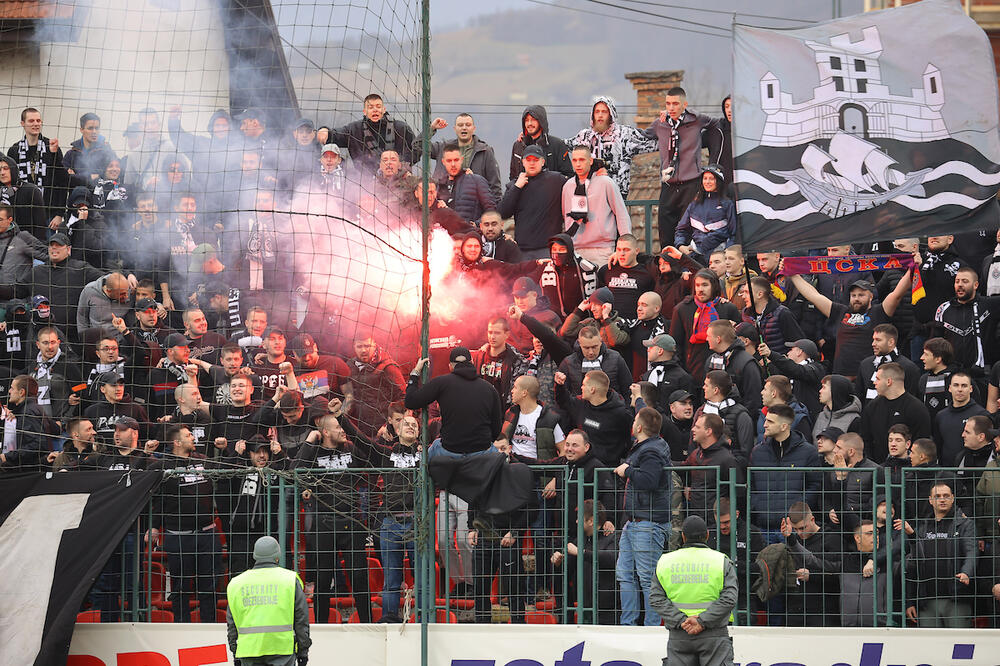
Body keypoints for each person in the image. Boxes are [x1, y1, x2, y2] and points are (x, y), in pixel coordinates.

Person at [147, 424, 221, 624]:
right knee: (180, 587)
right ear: (177, 442)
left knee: (209, 586)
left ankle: (209, 627)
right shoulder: (162, 466)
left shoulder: (203, 460)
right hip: (179, 537)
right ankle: (181, 627)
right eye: (188, 435)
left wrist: (225, 451)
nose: (193, 438)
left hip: (207, 534)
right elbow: (157, 499)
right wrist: (154, 526)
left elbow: (228, 469)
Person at [650, 515, 737, 666]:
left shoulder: (665, 561)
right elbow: (729, 598)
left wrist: (681, 620)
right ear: (707, 535)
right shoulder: (721, 561)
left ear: (683, 536)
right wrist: (701, 621)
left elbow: (656, 599)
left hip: (680, 635)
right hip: (714, 635)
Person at [788, 272, 911, 378]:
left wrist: (912, 269)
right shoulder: (841, 312)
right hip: (841, 376)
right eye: (853, 295)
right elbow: (814, 296)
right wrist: (792, 274)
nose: (856, 298)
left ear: (871, 297)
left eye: (861, 295)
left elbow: (897, 294)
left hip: (867, 376)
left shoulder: (878, 312)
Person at [643, 87, 723, 248]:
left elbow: (717, 124)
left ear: (684, 104)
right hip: (668, 184)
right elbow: (642, 136)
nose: (671, 108)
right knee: (665, 231)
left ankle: (688, 262)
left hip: (691, 183)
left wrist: (707, 150)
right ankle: (668, 262)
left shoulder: (696, 120)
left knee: (689, 231)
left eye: (675, 104)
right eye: (668, 104)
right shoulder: (660, 124)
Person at [616, 406, 672, 626]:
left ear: (639, 428)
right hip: (636, 522)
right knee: (625, 575)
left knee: (647, 578)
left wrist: (627, 470)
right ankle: (628, 625)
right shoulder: (650, 446)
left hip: (647, 523)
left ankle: (651, 628)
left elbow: (650, 480)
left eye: (635, 421)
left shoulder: (650, 451)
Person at [404, 347, 503, 460]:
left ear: (450, 366)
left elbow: (410, 401)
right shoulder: (490, 389)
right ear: (472, 362)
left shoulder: (441, 383)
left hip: (450, 450)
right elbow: (496, 428)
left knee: (432, 450)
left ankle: (425, 472)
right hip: (482, 450)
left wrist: (415, 372)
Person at [226, 535, 311, 666]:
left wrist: (235, 651)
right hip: (282, 650)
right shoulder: (289, 580)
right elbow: (301, 618)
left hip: (248, 652)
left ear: (255, 556)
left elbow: (232, 623)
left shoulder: (236, 583)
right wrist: (303, 651)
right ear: (277, 556)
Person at [903, 480, 976, 628]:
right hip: (926, 600)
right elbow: (912, 565)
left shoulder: (965, 524)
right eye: (937, 496)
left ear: (953, 498)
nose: (942, 499)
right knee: (930, 642)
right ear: (930, 500)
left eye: (946, 496)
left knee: (959, 640)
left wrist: (967, 572)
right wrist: (910, 601)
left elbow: (971, 551)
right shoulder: (922, 527)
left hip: (956, 597)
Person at [569, 95, 657, 197]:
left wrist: (666, 125)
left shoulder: (624, 134)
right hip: (589, 195)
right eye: (597, 112)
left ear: (611, 114)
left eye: (604, 112)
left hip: (616, 196)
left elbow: (651, 143)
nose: (600, 115)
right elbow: (563, 146)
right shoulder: (585, 136)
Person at [669, 269, 741, 388]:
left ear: (714, 286)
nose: (700, 289)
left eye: (705, 285)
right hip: (691, 372)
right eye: (697, 285)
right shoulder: (682, 309)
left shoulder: (727, 308)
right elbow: (675, 344)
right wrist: (682, 372)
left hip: (722, 374)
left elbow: (738, 341)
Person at [560, 145, 630, 266]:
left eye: (582, 160)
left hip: (602, 249)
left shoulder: (605, 183)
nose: (578, 164)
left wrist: (626, 245)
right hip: (575, 248)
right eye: (575, 160)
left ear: (590, 161)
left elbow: (621, 214)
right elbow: (565, 216)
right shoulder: (568, 186)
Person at [498, 145, 567, 260]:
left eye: (536, 160)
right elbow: (502, 213)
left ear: (543, 162)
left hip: (549, 249)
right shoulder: (514, 185)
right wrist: (517, 187)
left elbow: (576, 185)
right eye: (528, 160)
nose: (532, 163)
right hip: (522, 251)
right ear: (523, 162)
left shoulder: (556, 180)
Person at [416, 113, 502, 199]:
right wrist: (431, 128)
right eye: (460, 125)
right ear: (455, 129)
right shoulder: (443, 148)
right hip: (443, 203)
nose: (464, 128)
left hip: (473, 203)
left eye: (468, 125)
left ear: (474, 128)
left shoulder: (485, 151)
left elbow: (495, 187)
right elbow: (417, 146)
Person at [859, 363, 932, 463]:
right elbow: (866, 439)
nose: (874, 383)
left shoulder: (916, 408)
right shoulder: (872, 407)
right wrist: (873, 466)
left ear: (889, 381)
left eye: (878, 379)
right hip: (877, 468)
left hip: (907, 469)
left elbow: (922, 444)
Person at [327, 93, 416, 173]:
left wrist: (403, 165)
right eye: (370, 107)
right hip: (366, 182)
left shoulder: (401, 128)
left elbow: (416, 148)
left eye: (378, 106)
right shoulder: (354, 130)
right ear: (364, 112)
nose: (375, 110)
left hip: (400, 179)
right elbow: (335, 136)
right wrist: (325, 131)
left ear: (384, 109)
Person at [673, 165, 735, 264]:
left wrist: (726, 255)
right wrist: (681, 245)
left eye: (711, 179)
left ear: (719, 181)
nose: (707, 182)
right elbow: (681, 230)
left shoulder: (727, 204)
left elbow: (733, 234)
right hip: (695, 256)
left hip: (718, 257)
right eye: (705, 178)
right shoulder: (694, 204)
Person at [855, 324, 920, 405]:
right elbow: (859, 396)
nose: (873, 344)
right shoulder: (865, 364)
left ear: (891, 342)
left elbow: (911, 401)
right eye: (873, 340)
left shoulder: (908, 367)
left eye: (878, 340)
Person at [509, 104, 573, 180]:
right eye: (526, 120)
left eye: (533, 119)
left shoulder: (557, 145)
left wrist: (551, 182)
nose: (529, 123)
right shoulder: (518, 145)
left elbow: (568, 176)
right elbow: (512, 177)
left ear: (541, 121)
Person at [436, 143, 496, 224]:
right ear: (443, 162)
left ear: (462, 159)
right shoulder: (439, 186)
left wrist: (477, 224)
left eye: (456, 160)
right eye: (449, 161)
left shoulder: (476, 180)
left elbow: (491, 210)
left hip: (470, 231)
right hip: (443, 231)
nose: (453, 164)